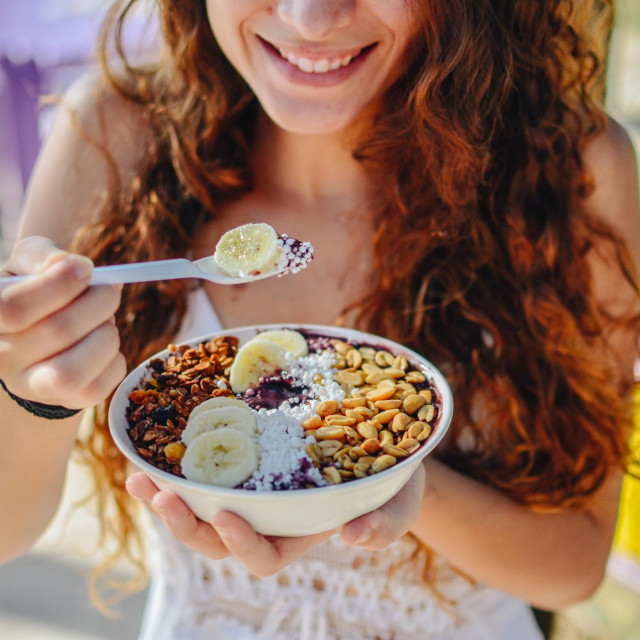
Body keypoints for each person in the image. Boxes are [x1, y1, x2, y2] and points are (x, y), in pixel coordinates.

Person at [1, 1, 639, 638]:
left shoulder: (570, 172)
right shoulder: (117, 135)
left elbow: (574, 564)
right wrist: (30, 387)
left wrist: (391, 478)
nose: (310, 17)